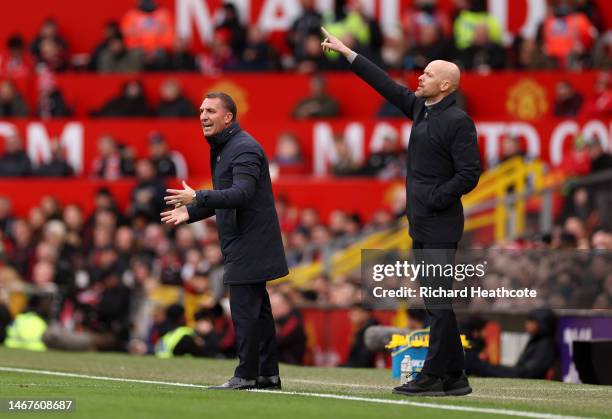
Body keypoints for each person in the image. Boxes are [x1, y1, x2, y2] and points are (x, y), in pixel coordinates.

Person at [321, 26, 480, 397]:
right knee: (435, 302)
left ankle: (432, 375)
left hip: (440, 223)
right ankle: (455, 377)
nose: (419, 77)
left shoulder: (458, 122)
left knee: (438, 304)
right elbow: (384, 84)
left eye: (428, 74)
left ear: (446, 86)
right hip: (422, 222)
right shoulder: (420, 109)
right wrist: (348, 52)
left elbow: (470, 173)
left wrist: (436, 197)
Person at [161, 92, 288, 390]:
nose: (203, 116)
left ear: (228, 117)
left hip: (250, 241)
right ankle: (268, 374)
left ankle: (245, 374)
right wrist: (191, 212)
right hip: (244, 240)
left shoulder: (243, 148)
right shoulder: (224, 147)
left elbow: (241, 194)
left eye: (211, 111)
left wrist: (198, 196)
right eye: (201, 110)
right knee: (259, 312)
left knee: (245, 310)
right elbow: (226, 196)